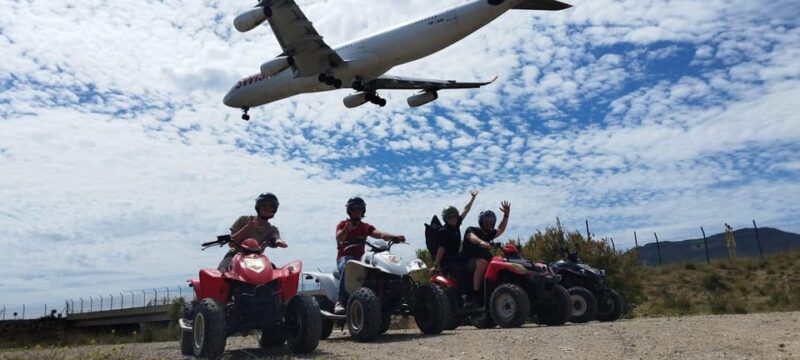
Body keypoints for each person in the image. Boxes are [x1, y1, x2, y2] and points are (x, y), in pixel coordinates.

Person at [334, 197, 406, 314]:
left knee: (379, 268)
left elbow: (380, 234)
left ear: (363, 211)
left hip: (361, 259)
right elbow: (339, 238)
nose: (357, 212)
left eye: (360, 209)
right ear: (349, 211)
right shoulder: (343, 224)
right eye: (354, 209)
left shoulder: (365, 227)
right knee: (349, 265)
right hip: (345, 258)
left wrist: (394, 237)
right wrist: (346, 230)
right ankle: (340, 301)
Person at [460, 200, 511, 309]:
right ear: (481, 222)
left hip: (481, 261)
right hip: (467, 263)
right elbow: (471, 237)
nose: (489, 223)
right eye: (486, 221)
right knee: (483, 262)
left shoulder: (489, 234)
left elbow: (500, 229)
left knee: (500, 262)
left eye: (491, 221)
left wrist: (506, 215)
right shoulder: (472, 230)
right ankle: (475, 295)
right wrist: (481, 242)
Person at [218, 193, 287, 272]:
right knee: (223, 271)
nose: (267, 207)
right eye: (264, 204)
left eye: (271, 206)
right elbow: (231, 244)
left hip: (257, 260)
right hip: (235, 255)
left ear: (274, 209)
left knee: (275, 275)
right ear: (258, 206)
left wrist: (278, 241)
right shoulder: (243, 219)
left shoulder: (272, 229)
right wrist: (247, 227)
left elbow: (276, 237)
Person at [431, 190, 479, 295]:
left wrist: (473, 198)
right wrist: (436, 264)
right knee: (461, 271)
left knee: (472, 265)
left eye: (454, 216)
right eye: (450, 217)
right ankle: (465, 297)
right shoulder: (443, 231)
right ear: (445, 219)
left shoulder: (456, 225)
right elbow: (441, 248)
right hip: (447, 261)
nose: (453, 219)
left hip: (456, 257)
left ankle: (477, 292)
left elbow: (466, 210)